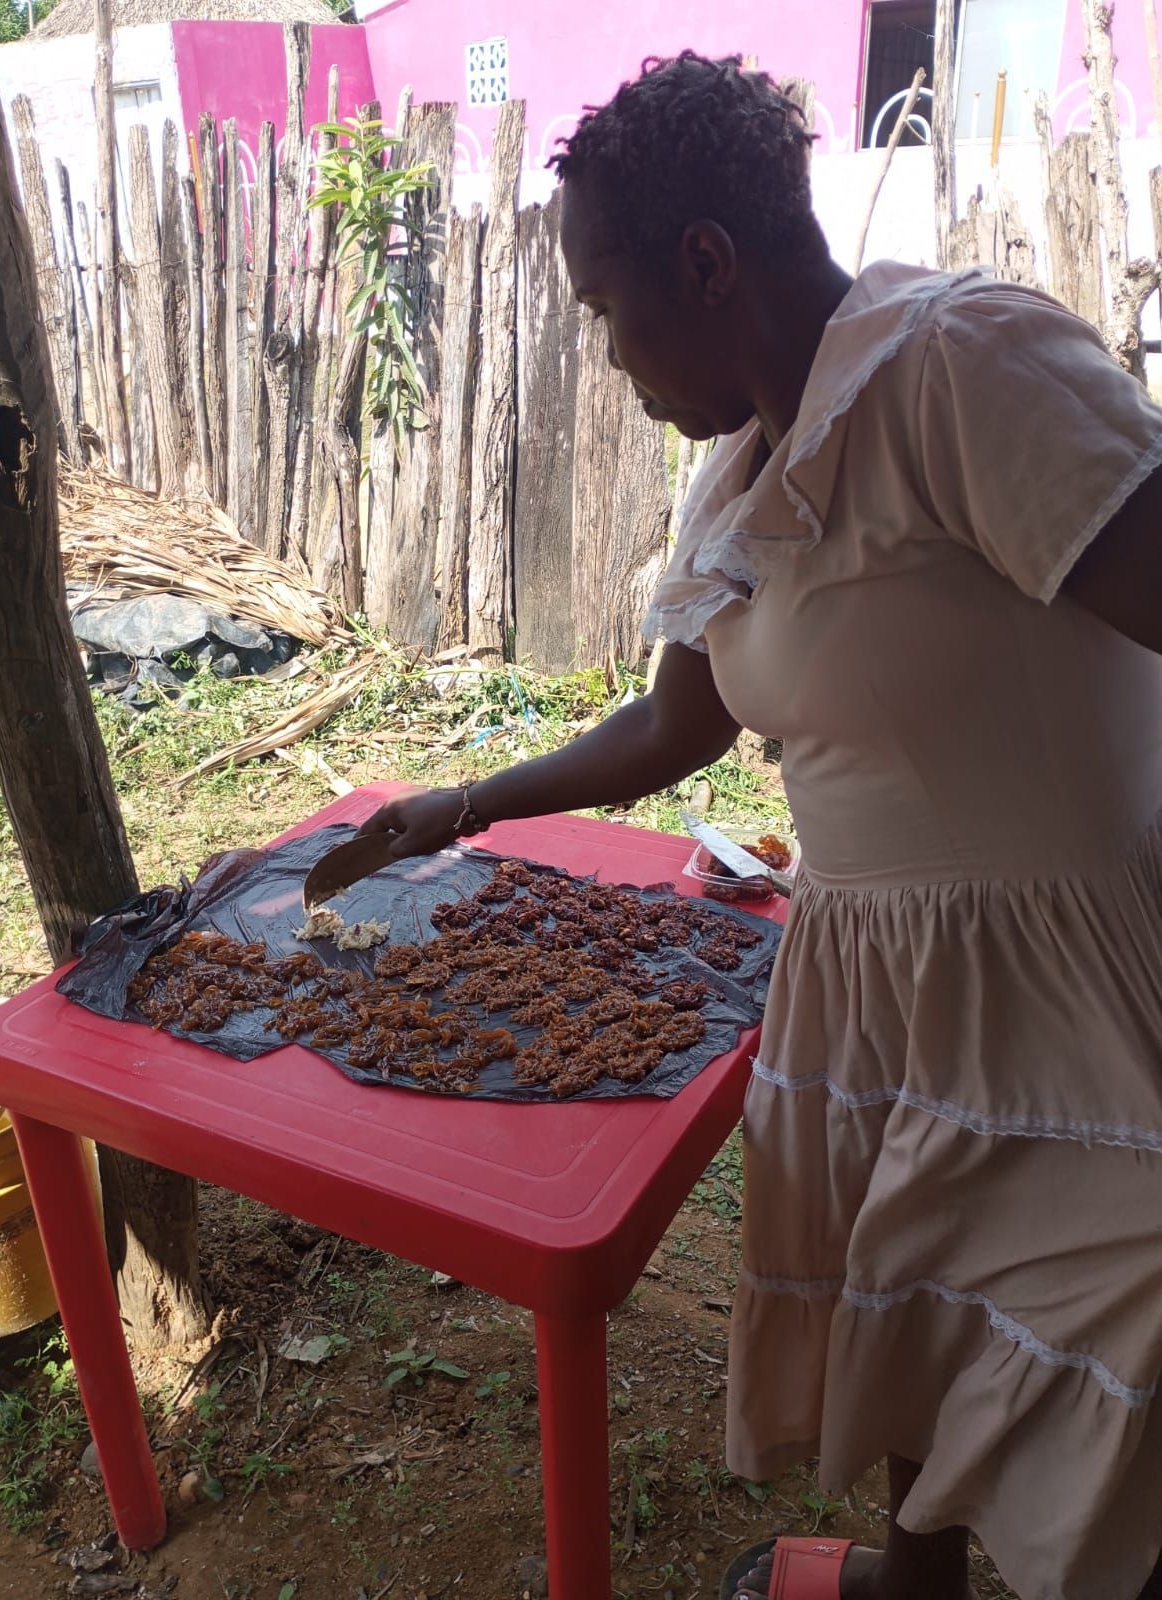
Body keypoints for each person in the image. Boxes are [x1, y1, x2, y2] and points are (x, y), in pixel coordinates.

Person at [361, 52, 1162, 1600]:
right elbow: (678, 726)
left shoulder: (960, 370)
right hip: (878, 981)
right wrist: (450, 806)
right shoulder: (739, 475)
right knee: (915, 1302)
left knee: (1101, 1362)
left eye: (605, 308)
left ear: (709, 263)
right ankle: (908, 1587)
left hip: (1065, 993)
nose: (606, 357)